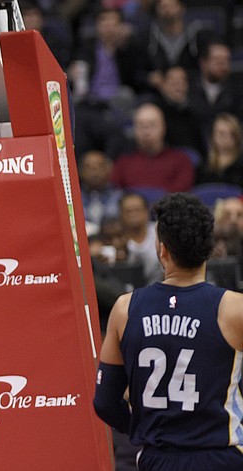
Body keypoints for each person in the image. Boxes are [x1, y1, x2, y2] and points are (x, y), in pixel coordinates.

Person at [93, 192, 243, 470]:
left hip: (157, 457)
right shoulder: (234, 308)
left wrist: (144, 427)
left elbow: (104, 402)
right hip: (220, 456)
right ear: (209, 248)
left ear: (162, 249)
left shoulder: (126, 309)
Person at [111, 102, 195, 193]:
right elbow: (116, 196)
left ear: (163, 128)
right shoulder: (122, 163)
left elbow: (180, 195)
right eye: (141, 126)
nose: (146, 131)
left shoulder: (181, 160)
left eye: (152, 125)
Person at [119, 192, 163, 285]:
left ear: (146, 211)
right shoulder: (115, 238)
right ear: (121, 214)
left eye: (137, 210)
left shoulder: (161, 231)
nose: (133, 214)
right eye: (128, 211)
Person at [196, 113, 243, 186]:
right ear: (212, 135)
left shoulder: (240, 165)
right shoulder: (203, 166)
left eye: (231, 135)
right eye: (221, 134)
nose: (226, 139)